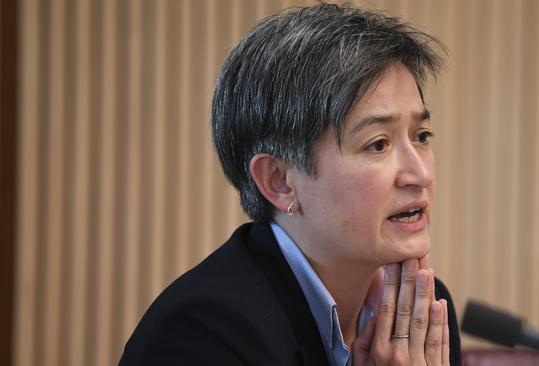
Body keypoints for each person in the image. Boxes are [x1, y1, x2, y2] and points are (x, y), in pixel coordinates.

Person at [120, 3, 461, 365]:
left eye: (421, 136)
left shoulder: (419, 310)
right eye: (378, 144)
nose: (420, 174)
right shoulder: (200, 334)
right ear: (280, 182)